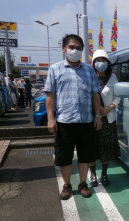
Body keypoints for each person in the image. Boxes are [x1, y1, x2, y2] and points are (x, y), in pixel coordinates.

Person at [43, 34, 102, 200]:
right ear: (63, 48)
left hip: (86, 122)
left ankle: (83, 184)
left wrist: (97, 116)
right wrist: (50, 118)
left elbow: (95, 95)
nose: (75, 50)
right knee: (64, 157)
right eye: (72, 47)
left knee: (85, 156)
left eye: (78, 48)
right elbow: (50, 96)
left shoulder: (89, 70)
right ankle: (67, 185)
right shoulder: (55, 69)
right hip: (64, 122)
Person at [89, 49, 120, 187]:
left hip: (108, 118)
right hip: (91, 118)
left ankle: (104, 174)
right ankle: (93, 174)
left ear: (108, 63)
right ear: (93, 62)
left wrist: (109, 108)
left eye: (103, 60)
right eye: (98, 60)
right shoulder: (89, 76)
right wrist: (96, 110)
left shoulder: (113, 78)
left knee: (106, 147)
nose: (100, 63)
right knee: (91, 147)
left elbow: (118, 96)